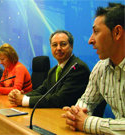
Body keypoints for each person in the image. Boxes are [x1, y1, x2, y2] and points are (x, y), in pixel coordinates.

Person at [62, 3, 125, 135]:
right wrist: (76, 114)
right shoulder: (100, 68)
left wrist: (87, 123)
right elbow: (87, 100)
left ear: (117, 32)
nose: (90, 40)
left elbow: (86, 122)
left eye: (96, 32)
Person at [8, 30, 90, 108]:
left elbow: (61, 99)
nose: (58, 48)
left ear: (71, 46)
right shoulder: (53, 70)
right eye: (54, 45)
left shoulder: (77, 67)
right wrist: (21, 96)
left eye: (63, 44)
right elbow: (42, 90)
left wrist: (25, 100)